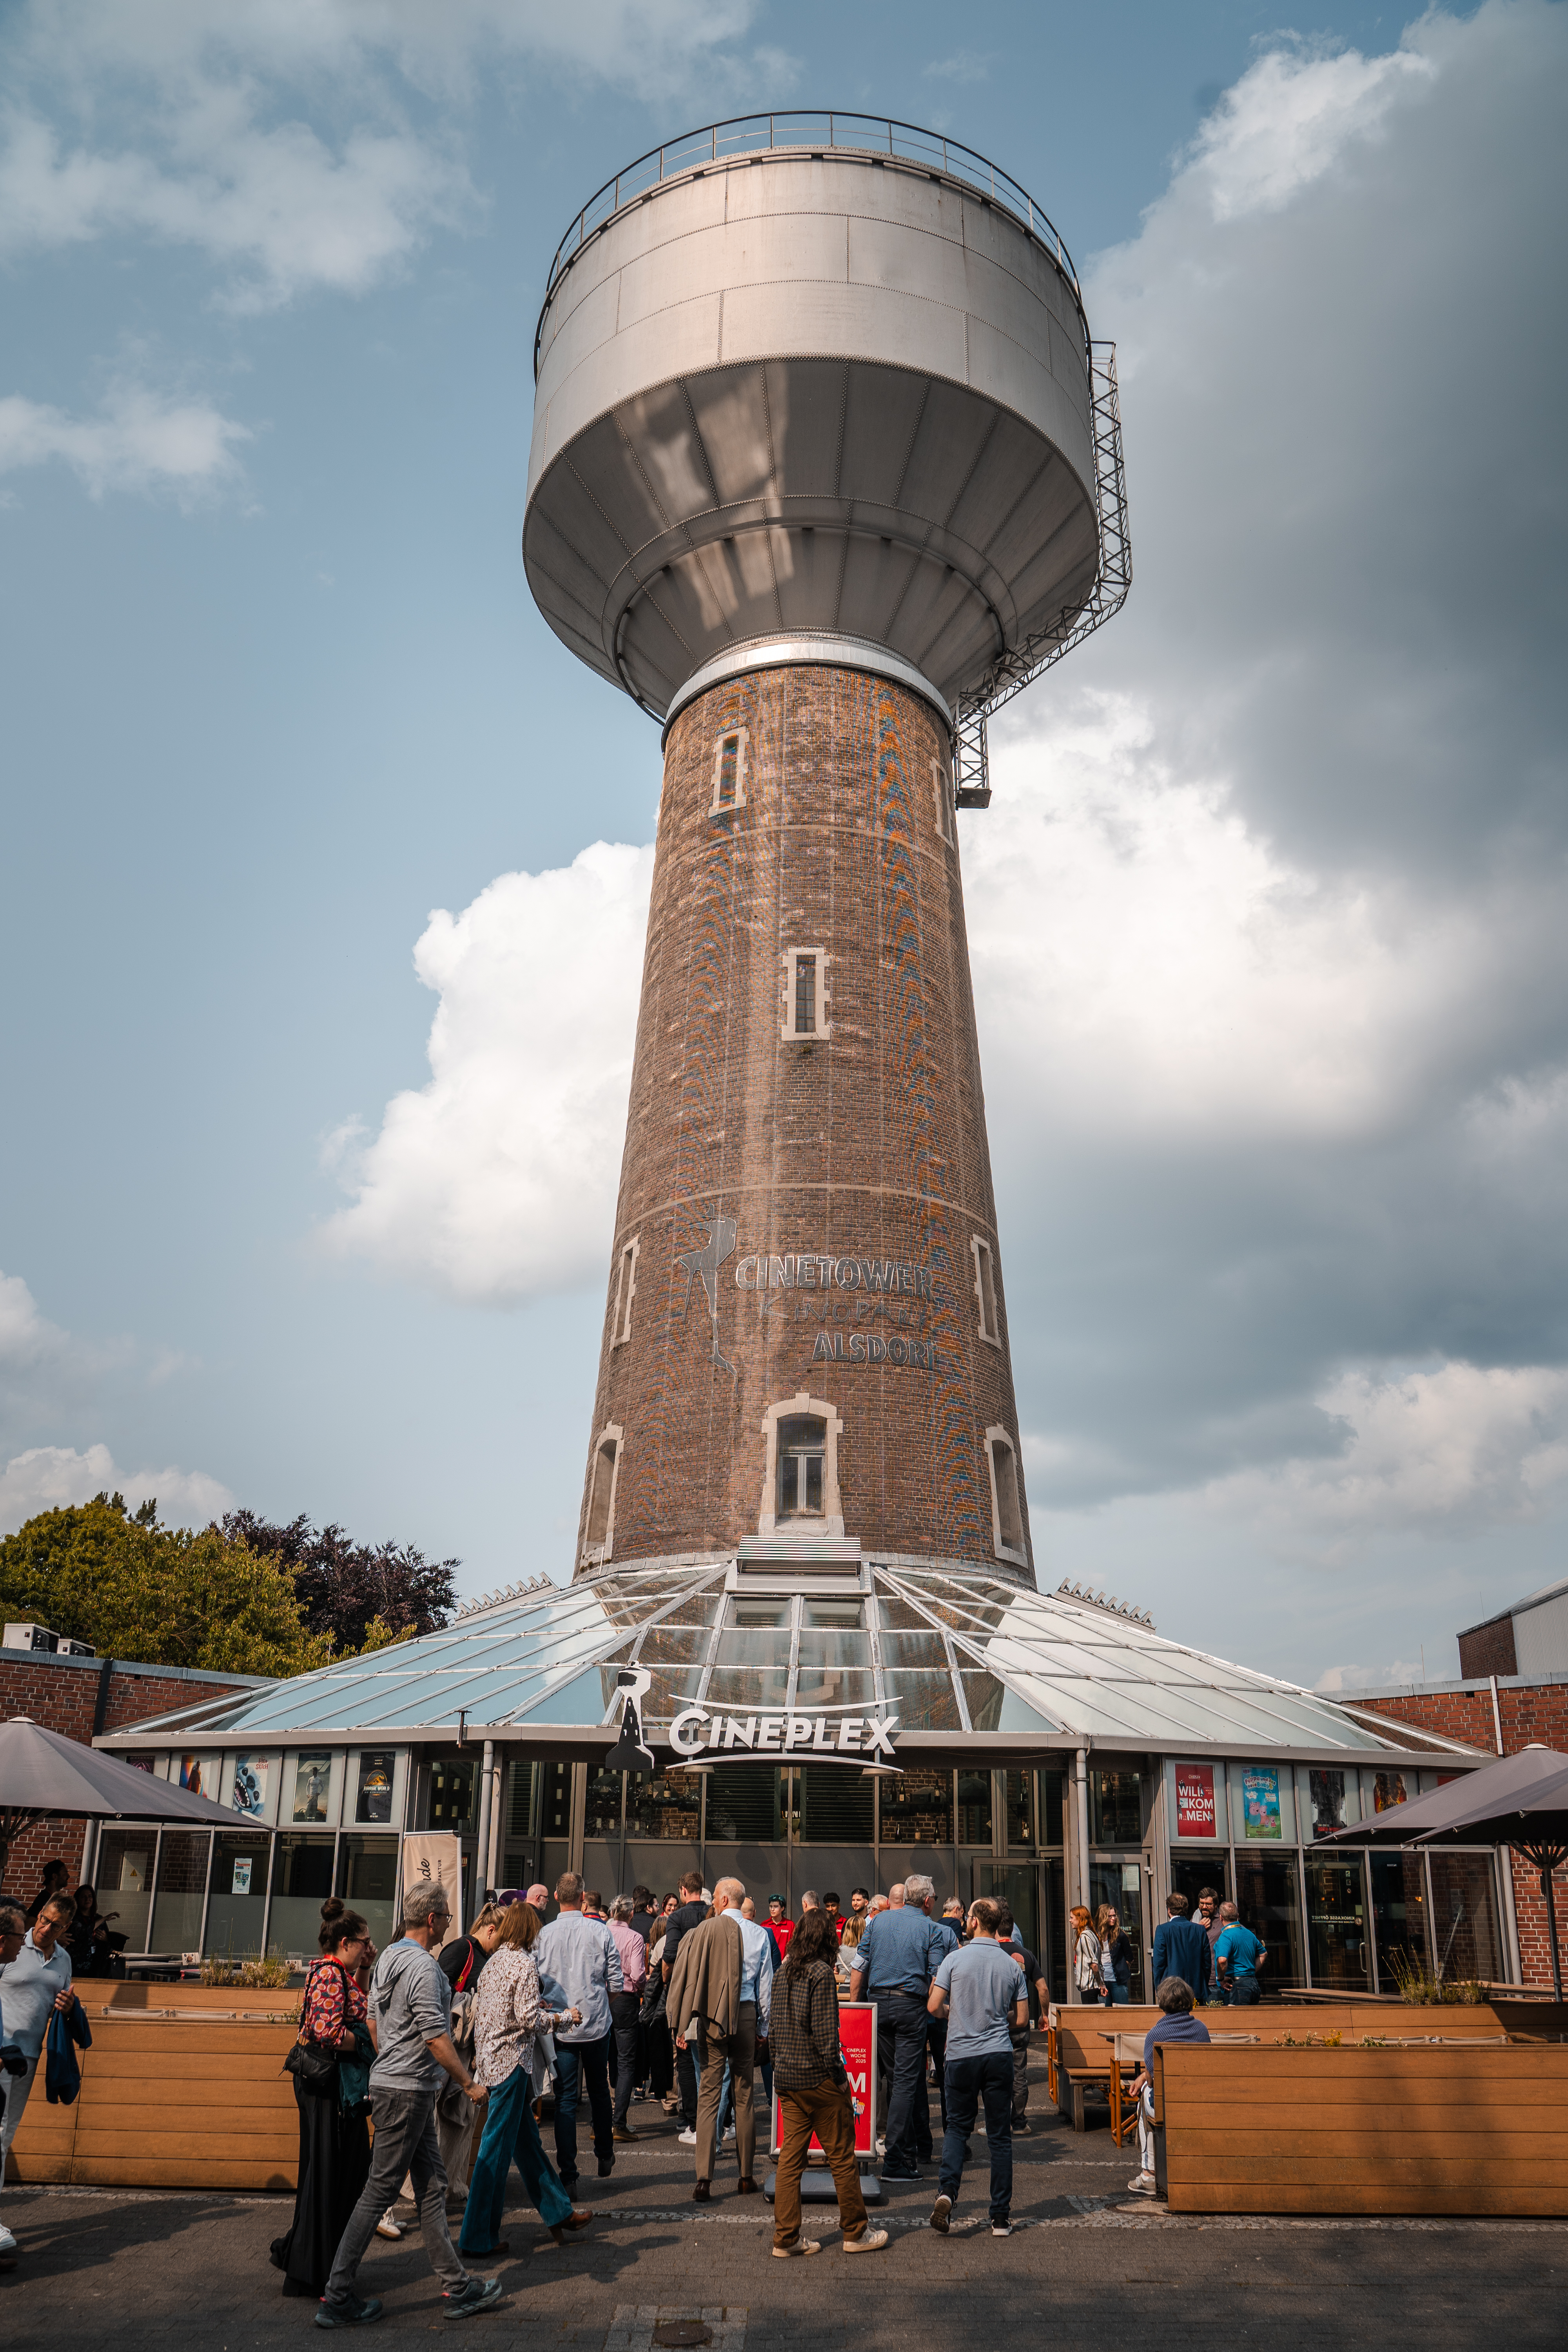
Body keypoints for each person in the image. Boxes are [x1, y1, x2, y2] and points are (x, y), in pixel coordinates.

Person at [318, 1882, 502, 2327]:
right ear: (434, 1919)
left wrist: (394, 2062)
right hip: (407, 2091)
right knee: (380, 2190)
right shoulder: (423, 1968)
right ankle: (337, 2295)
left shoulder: (388, 1959)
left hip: (401, 2086)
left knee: (433, 2186)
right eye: (447, 1918)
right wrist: (468, 2083)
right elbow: (436, 2036)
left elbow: (376, 2023)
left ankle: (457, 2287)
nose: (448, 1926)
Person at [458, 1898, 591, 2258]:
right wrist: (566, 2018)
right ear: (530, 1930)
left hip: (492, 2062)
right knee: (495, 2153)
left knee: (524, 2145)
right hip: (512, 2064)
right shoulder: (523, 1965)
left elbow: (494, 2015)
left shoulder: (495, 1962)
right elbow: (531, 2019)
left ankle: (558, 2212)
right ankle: (476, 2237)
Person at [270, 1899, 376, 2300]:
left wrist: (365, 1966)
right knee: (331, 2175)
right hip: (326, 2084)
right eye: (364, 1943)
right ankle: (311, 2271)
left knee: (332, 2173)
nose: (369, 1948)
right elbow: (328, 2032)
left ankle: (313, 2264)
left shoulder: (336, 1972)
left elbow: (356, 2005)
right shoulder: (331, 1975)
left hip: (327, 2085)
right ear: (346, 1941)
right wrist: (369, 2046)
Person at [769, 1906, 888, 2260]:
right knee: (841, 2155)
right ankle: (855, 2231)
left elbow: (774, 2029)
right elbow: (826, 2037)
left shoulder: (782, 1971)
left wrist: (778, 2071)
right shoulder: (821, 1972)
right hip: (817, 2078)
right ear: (827, 1938)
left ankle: (786, 2237)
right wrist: (839, 2079)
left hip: (788, 2078)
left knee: (791, 2159)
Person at [666, 1875, 773, 2202]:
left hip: (713, 2015)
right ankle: (746, 2176)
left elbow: (693, 1975)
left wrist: (685, 2021)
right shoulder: (760, 1933)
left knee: (709, 2094)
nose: (712, 1901)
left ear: (725, 1900)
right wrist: (763, 2031)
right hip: (746, 2014)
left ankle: (703, 2179)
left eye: (715, 1898)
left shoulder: (705, 1931)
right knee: (744, 2095)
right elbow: (765, 1987)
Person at [927, 1898, 1027, 2239]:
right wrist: (1000, 2017)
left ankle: (946, 2194)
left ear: (973, 1923)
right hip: (998, 2054)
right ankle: (1000, 2217)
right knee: (1000, 2137)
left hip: (960, 2054)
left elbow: (933, 2006)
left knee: (956, 2129)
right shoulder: (1013, 1965)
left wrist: (953, 2014)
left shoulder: (954, 1959)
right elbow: (1023, 2019)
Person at [849, 1874, 948, 2182]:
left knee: (894, 2079)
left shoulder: (877, 1922)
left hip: (878, 2004)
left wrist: (856, 2008)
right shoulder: (931, 1929)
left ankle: (903, 2153)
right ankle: (895, 2160)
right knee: (905, 2082)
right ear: (928, 1901)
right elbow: (935, 1979)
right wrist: (939, 2011)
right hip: (910, 2006)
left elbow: (858, 1967)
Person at [0, 1884, 74, 2260]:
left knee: (6, 2135)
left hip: (28, 2058)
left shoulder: (63, 1961)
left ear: (65, 1930)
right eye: (44, 1920)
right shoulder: (11, 1944)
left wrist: (68, 2005)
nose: (45, 1928)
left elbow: (61, 2003)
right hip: (0, 2054)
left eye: (56, 1925)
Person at [534, 1873, 621, 2195]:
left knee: (567, 2099)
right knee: (599, 2091)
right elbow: (616, 1983)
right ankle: (605, 2152)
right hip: (596, 2025)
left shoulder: (544, 1935)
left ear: (557, 1896)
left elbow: (535, 1980)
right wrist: (600, 2005)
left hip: (560, 2026)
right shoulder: (600, 1931)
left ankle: (569, 2174)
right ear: (583, 1898)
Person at [1126, 1975, 1210, 2196]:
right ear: (1189, 2001)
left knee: (1145, 2097)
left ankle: (1149, 2174)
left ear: (1162, 2003)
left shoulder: (1155, 2035)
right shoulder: (1201, 2030)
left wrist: (1145, 2078)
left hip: (1168, 2104)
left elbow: (1154, 2080)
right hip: (1198, 2100)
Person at [662, 1869, 710, 2139]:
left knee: (686, 2058)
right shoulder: (713, 1915)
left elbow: (669, 1957)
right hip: (711, 1992)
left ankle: (692, 2121)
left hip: (685, 1994)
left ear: (683, 1891)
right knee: (712, 2060)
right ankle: (717, 2120)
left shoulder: (677, 1917)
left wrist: (671, 1983)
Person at [994, 1904, 1048, 2132]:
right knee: (1019, 2074)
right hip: (1020, 2023)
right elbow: (1043, 1988)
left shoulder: (990, 1952)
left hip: (995, 2024)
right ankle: (1018, 2122)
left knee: (995, 2077)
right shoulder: (1026, 1955)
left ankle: (997, 2123)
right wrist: (1045, 2015)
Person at [606, 1895, 647, 2141]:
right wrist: (643, 1984)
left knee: (602, 2059)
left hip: (601, 1999)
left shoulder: (602, 1933)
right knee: (625, 2063)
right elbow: (637, 1973)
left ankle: (599, 2123)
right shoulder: (635, 1937)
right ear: (631, 1915)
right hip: (625, 1998)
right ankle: (618, 2123)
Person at [1150, 1893, 1213, 2005]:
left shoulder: (1163, 1930)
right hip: (1197, 1989)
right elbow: (1207, 1963)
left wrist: (1159, 1989)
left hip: (1171, 1991)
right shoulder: (1200, 1930)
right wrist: (1202, 1982)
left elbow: (1159, 1964)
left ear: (1169, 1910)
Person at [1213, 1903, 1267, 2005]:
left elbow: (1222, 1960)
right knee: (1251, 2020)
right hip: (1253, 1984)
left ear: (1221, 1917)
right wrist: (1249, 1972)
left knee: (1236, 2020)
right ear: (1237, 1916)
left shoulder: (1226, 1936)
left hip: (1237, 1987)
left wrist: (1221, 1979)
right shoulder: (1249, 1934)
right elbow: (1263, 1954)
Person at [1097, 1906, 1133, 2006]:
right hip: (1103, 1982)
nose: (1113, 1918)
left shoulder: (1121, 1935)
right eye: (1110, 1916)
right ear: (1103, 1917)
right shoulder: (1097, 1935)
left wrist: (1121, 1968)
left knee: (1121, 2013)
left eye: (1115, 1916)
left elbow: (1130, 1957)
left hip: (1118, 1982)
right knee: (1105, 2015)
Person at [1070, 1905, 1103, 2002]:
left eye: (1072, 1918)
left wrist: (1101, 1985)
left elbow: (1094, 1964)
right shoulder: (1092, 1934)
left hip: (1089, 1987)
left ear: (1080, 1918)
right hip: (1091, 1987)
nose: (1070, 1921)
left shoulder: (1085, 1936)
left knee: (1092, 2016)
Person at [22, 1862, 69, 1928]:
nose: (68, 1876)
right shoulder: (45, 1897)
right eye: (65, 1873)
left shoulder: (49, 1897)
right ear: (55, 1877)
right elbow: (29, 1923)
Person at [766, 1896, 793, 1963]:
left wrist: (785, 1962)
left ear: (783, 1908)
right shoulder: (764, 1925)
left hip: (785, 1965)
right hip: (769, 1966)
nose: (772, 1909)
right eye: (771, 1906)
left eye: (776, 1906)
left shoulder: (791, 1925)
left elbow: (794, 1947)